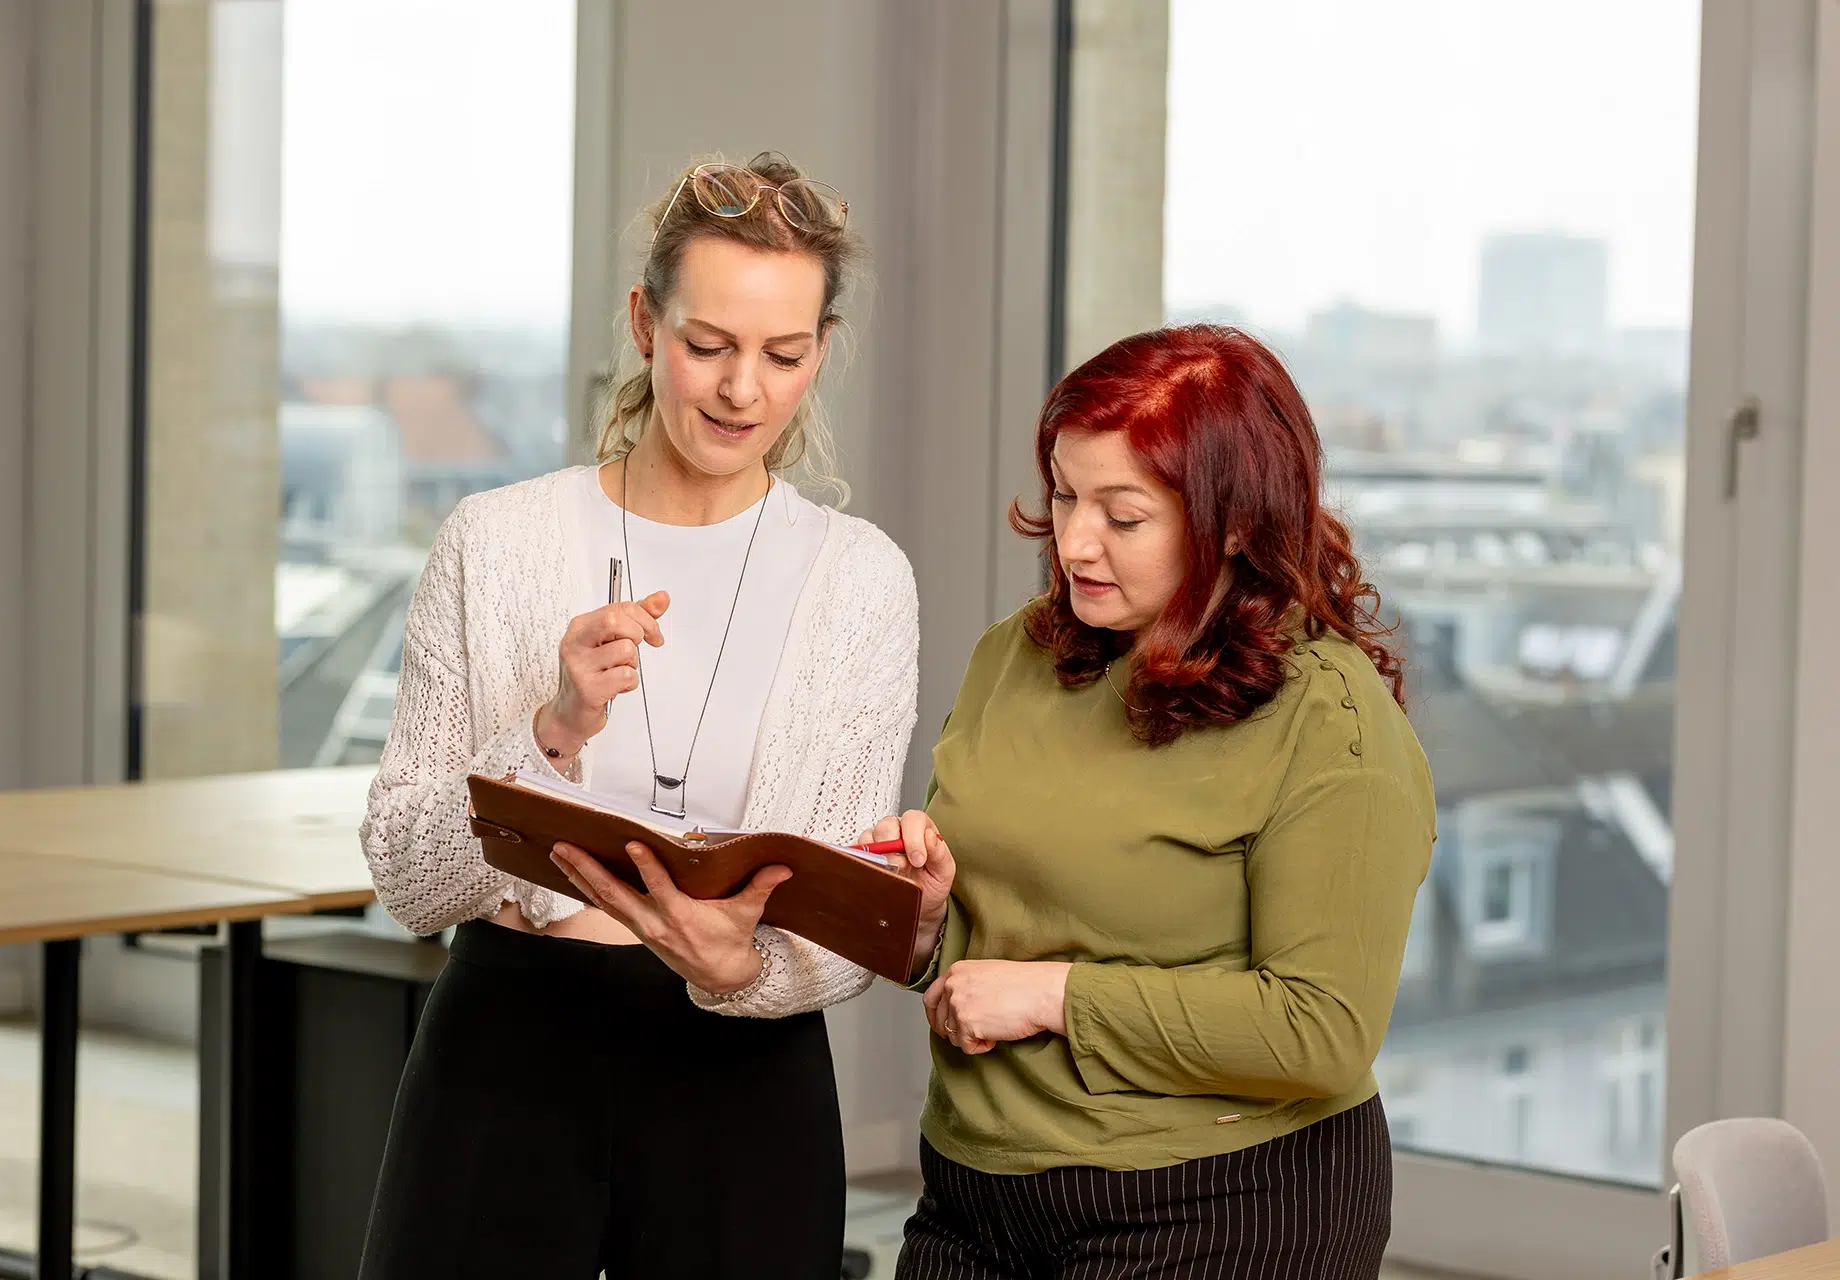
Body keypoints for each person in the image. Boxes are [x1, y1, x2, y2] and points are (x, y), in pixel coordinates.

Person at [357, 153, 922, 1280]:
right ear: (643, 323)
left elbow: (845, 931)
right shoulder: (496, 540)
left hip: (741, 1078)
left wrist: (741, 970)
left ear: (824, 348)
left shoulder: (860, 580)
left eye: (784, 354)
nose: (741, 390)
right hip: (507, 1046)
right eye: (707, 345)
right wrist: (553, 727)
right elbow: (409, 878)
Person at [865, 324, 1436, 1279]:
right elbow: (984, 952)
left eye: (1122, 517)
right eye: (1063, 494)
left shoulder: (1326, 716)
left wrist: (1056, 997)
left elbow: (1321, 1030)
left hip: (1220, 1200)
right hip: (973, 1185)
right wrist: (924, 924)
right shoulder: (1017, 654)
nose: (1074, 543)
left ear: (1236, 524)